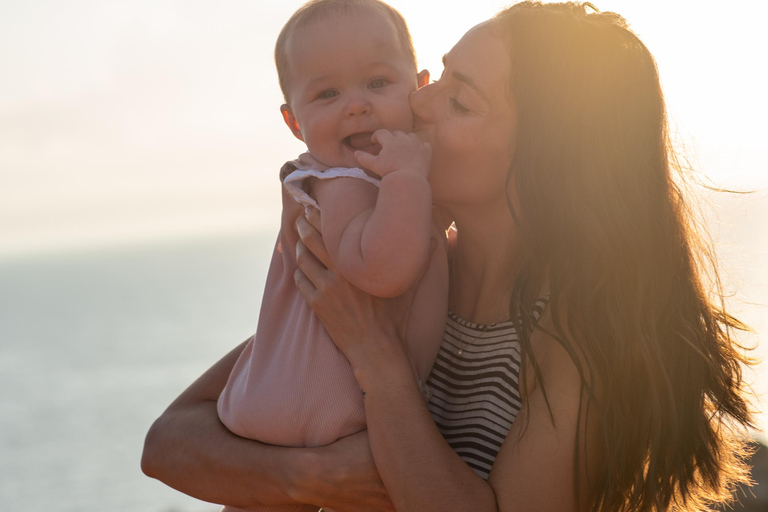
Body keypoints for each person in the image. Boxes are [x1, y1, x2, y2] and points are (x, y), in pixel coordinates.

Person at [142, 2, 755, 511]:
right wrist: (318, 478)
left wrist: (377, 362)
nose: (420, 105)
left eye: (461, 103)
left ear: (544, 158)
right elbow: (170, 442)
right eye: (436, 77)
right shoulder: (402, 273)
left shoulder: (580, 338)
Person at [216, 1, 447, 510]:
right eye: (327, 93)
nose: (357, 105)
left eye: (378, 83)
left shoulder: (371, 180)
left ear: (421, 86)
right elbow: (381, 271)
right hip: (320, 406)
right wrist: (410, 179)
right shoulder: (340, 184)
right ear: (294, 122)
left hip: (305, 404)